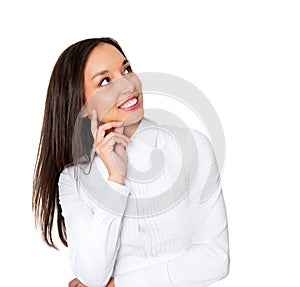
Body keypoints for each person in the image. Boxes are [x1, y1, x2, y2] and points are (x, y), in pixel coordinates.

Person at [32, 37, 230, 287]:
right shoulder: (75, 179)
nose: (128, 84)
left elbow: (215, 259)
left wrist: (119, 284)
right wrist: (115, 179)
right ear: (81, 106)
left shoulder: (191, 146)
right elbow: (92, 275)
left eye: (127, 69)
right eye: (105, 81)